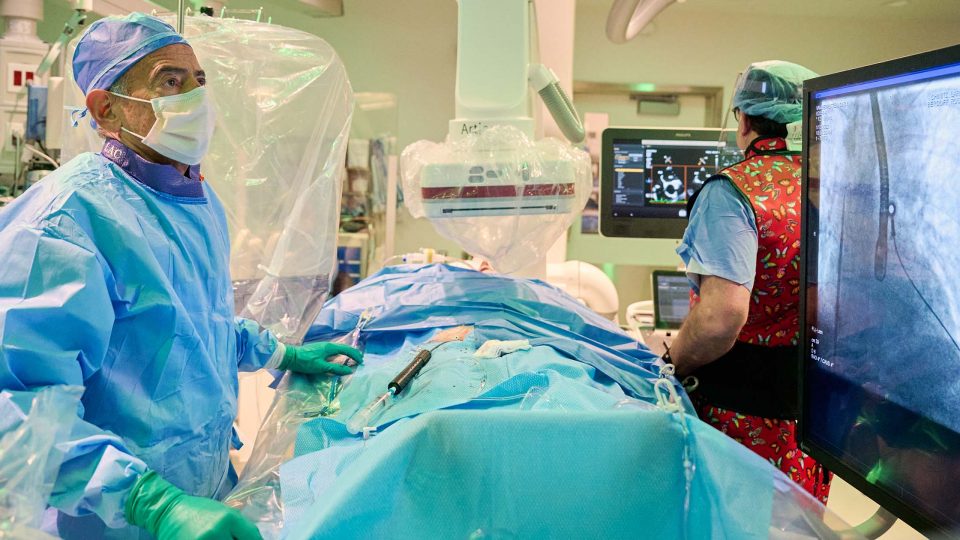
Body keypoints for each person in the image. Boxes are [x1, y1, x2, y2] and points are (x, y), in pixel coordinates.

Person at [0, 13, 361, 539]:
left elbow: (194, 323)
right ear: (106, 109)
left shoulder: (192, 199)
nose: (195, 98)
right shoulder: (65, 222)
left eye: (199, 82)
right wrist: (153, 503)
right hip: (108, 517)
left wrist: (283, 354)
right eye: (170, 81)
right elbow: (19, 407)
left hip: (203, 490)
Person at [666, 60, 832, 503]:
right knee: (795, 527)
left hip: (740, 422)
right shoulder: (830, 185)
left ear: (743, 119)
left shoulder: (731, 192)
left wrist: (672, 363)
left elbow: (720, 319)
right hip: (809, 424)